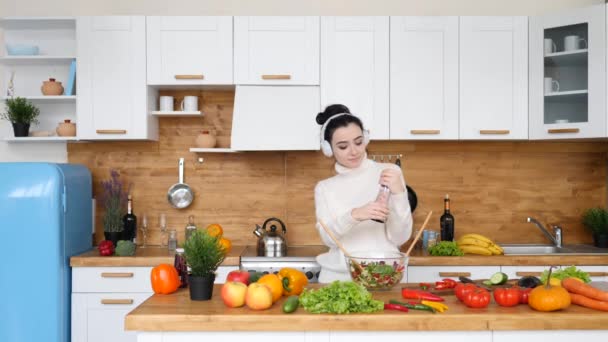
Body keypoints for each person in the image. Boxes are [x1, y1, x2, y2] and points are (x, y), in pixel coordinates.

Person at [314, 104, 413, 283]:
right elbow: (328, 239)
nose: (354, 151)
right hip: (338, 279)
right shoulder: (324, 188)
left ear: (366, 139)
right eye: (343, 146)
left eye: (358, 142)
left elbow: (400, 237)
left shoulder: (390, 173)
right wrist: (355, 214)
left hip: (383, 276)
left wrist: (399, 194)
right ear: (329, 149)